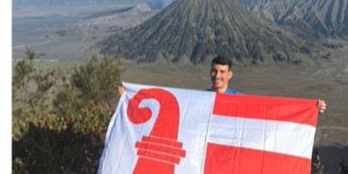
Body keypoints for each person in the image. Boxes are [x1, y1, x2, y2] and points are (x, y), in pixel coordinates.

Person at [117, 55, 327, 113]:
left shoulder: (239, 99)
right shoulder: (200, 99)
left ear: (230, 75)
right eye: (214, 71)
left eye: (222, 72)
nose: (217, 76)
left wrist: (311, 108)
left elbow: (268, 109)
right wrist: (132, 95)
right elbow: (170, 104)